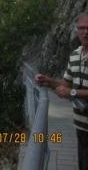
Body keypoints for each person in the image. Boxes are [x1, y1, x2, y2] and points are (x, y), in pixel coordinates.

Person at [35, 13, 88, 170]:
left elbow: (70, 91)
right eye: (82, 28)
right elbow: (66, 84)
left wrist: (72, 93)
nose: (86, 32)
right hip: (81, 125)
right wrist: (48, 81)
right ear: (76, 31)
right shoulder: (75, 55)